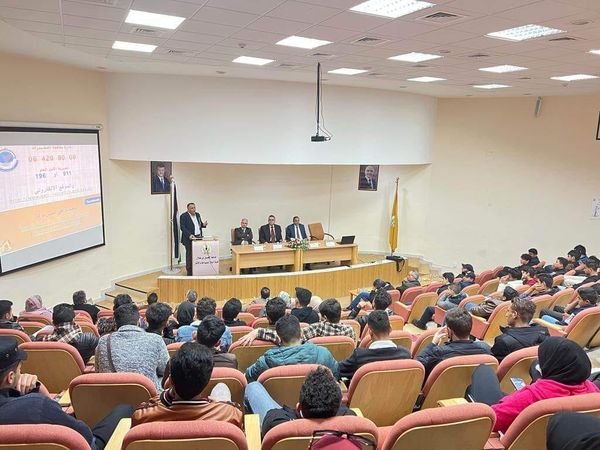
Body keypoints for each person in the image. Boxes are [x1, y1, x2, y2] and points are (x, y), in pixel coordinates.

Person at [0, 336, 133, 450]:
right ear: (10, 377)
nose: (22, 374)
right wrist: (37, 392)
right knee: (125, 408)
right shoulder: (36, 406)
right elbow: (84, 436)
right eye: (20, 370)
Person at [467, 337, 600, 434]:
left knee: (483, 370)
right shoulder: (592, 391)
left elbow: (491, 421)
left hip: (504, 433)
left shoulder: (531, 396)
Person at [133, 342, 242, 427]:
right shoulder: (231, 414)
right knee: (222, 387)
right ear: (207, 382)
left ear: (170, 381)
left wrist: (165, 396)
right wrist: (218, 404)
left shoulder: (142, 416)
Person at [245, 366, 355, 438]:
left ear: (298, 407)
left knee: (253, 387)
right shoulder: (351, 422)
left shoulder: (276, 425)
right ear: (339, 405)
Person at [96, 303, 169, 392]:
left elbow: (98, 370)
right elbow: (165, 370)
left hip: (111, 395)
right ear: (138, 322)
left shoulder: (103, 341)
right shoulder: (156, 339)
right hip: (147, 397)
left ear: (115, 323)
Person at [245, 315, 338, 382]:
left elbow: (248, 377)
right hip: (314, 401)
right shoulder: (323, 354)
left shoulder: (264, 362)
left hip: (277, 402)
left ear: (279, 338)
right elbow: (335, 375)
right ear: (302, 333)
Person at [240, 299, 355, 345]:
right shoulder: (350, 330)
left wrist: (259, 331)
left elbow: (290, 338)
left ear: (324, 317)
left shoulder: (317, 328)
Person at [416, 308, 490, 378]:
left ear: (449, 330)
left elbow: (419, 366)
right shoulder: (485, 349)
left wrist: (433, 343)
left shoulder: (439, 353)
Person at [339, 311, 410, 380]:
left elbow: (338, 370)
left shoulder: (359, 356)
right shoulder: (405, 354)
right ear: (390, 329)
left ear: (370, 332)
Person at [490, 298, 548, 362]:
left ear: (514, 314)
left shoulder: (503, 341)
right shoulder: (544, 333)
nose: (506, 315)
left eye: (508, 311)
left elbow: (494, 363)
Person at [180, 202, 207, 276]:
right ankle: (189, 272)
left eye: (194, 207)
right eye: (192, 208)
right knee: (189, 255)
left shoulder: (198, 215)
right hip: (189, 239)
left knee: (197, 254)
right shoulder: (183, 216)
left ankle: (197, 269)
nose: (194, 209)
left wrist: (203, 225)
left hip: (198, 237)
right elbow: (182, 227)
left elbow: (199, 224)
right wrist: (189, 235)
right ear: (188, 209)